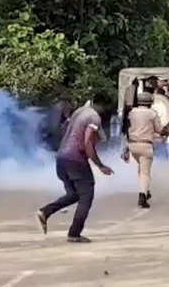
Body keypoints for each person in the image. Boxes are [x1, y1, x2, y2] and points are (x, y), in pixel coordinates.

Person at [37, 101, 114, 243]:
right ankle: (74, 233)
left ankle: (45, 211)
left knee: (73, 194)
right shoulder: (94, 118)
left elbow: (65, 131)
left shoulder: (79, 113)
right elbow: (87, 143)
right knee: (87, 195)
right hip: (75, 161)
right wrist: (100, 165)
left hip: (61, 159)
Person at [124, 93, 163, 208]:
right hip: (146, 146)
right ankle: (142, 196)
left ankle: (146, 190)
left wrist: (125, 148)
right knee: (145, 173)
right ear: (150, 102)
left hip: (132, 145)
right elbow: (159, 129)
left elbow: (125, 129)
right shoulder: (152, 114)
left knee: (141, 169)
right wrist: (165, 131)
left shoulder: (131, 113)